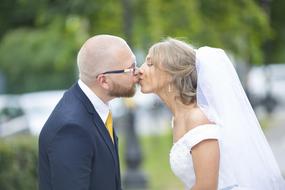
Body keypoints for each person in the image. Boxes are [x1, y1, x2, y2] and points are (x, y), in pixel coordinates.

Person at [139, 38, 285, 190]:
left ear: (171, 74)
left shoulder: (197, 119)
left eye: (150, 64)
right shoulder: (177, 119)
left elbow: (207, 187)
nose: (140, 69)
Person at [39, 34, 138, 190]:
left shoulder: (95, 107)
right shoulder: (71, 128)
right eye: (130, 68)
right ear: (104, 80)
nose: (137, 73)